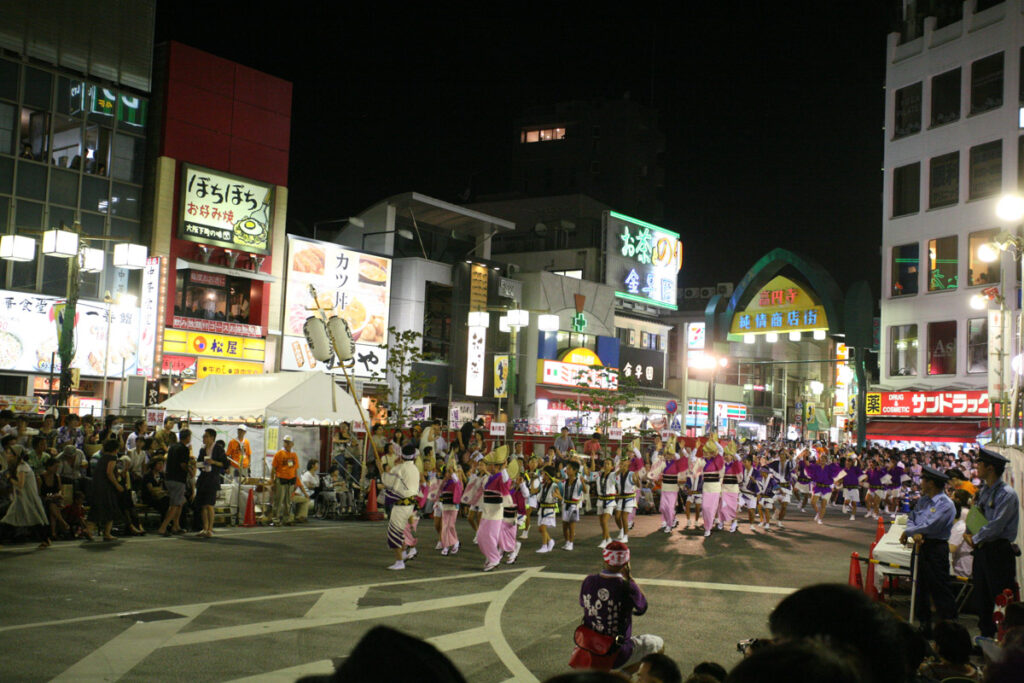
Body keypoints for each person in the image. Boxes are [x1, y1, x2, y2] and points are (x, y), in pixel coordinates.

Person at [575, 541, 663, 671]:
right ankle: (625, 676)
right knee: (658, 643)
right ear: (626, 563)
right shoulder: (627, 586)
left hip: (589, 646)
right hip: (617, 651)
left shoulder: (589, 580)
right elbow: (642, 607)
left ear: (605, 560)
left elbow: (583, 603)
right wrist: (629, 578)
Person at [963, 447, 1020, 638]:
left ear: (990, 468)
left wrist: (975, 538)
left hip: (998, 552)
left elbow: (996, 526)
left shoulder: (1007, 494)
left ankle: (1005, 643)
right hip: (981, 551)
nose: (976, 466)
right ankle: (986, 639)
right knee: (982, 598)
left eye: (980, 463)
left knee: (1000, 599)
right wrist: (968, 533)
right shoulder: (983, 491)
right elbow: (975, 515)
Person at [899, 465, 956, 633]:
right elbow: (912, 518)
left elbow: (930, 525)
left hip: (936, 548)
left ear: (931, 483)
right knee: (919, 585)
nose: (921, 482)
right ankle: (924, 624)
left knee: (939, 586)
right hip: (920, 546)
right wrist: (914, 532)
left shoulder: (946, 504)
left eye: (923, 479)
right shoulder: (924, 500)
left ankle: (949, 626)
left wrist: (912, 532)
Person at [377, 443, 420, 570]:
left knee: (394, 532)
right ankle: (405, 554)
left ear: (401, 455)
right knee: (401, 532)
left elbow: (387, 481)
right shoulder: (415, 469)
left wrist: (380, 469)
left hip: (401, 505)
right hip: (411, 505)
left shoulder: (400, 468)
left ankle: (399, 561)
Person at [476, 446, 519, 571]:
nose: (486, 466)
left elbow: (506, 482)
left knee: (489, 536)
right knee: (481, 536)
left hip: (495, 512)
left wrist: (503, 467)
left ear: (494, 466)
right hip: (487, 511)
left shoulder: (501, 476)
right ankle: (491, 557)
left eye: (487, 464)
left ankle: (494, 559)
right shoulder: (491, 476)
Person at [2, 443, 51, 548]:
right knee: (11, 519)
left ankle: (45, 539)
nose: (7, 455)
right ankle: (45, 539)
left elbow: (20, 484)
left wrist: (9, 478)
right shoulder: (19, 466)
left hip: (27, 498)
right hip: (22, 498)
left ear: (16, 455)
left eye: (10, 453)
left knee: (33, 519)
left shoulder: (22, 467)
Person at [87, 440, 125, 542]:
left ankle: (89, 530)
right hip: (106, 486)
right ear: (115, 449)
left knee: (96, 508)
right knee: (110, 508)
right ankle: (107, 533)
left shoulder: (102, 457)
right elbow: (109, 473)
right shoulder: (112, 457)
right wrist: (117, 485)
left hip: (97, 485)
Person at [195, 428, 227, 537]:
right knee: (203, 505)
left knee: (210, 505)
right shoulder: (202, 449)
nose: (204, 438)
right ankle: (205, 528)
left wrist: (213, 462)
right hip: (204, 477)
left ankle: (210, 529)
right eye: (203, 436)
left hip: (213, 478)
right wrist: (200, 465)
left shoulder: (218, 449)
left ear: (212, 438)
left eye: (206, 436)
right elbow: (199, 463)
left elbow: (225, 464)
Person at [271, 436, 300, 526]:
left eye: (289, 442)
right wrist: (273, 481)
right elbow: (273, 468)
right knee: (279, 500)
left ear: (292, 444)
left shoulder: (294, 455)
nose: (287, 444)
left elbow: (295, 469)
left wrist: (296, 482)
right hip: (281, 479)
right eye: (285, 442)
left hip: (291, 480)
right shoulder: (279, 453)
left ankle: (286, 519)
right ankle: (275, 519)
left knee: (288, 501)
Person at [38, 456, 69, 539]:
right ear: (48, 466)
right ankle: (62, 522)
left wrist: (58, 494)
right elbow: (38, 492)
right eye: (55, 467)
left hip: (55, 499)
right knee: (50, 504)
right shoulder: (40, 478)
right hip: (44, 499)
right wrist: (47, 497)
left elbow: (60, 489)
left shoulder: (57, 477)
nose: (56, 469)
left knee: (53, 506)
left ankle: (53, 533)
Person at [594, 457, 618, 548]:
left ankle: (604, 541)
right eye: (605, 463)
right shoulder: (599, 474)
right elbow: (591, 473)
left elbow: (618, 473)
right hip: (600, 500)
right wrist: (592, 460)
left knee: (604, 521)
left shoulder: (613, 475)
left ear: (612, 467)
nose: (606, 465)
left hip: (609, 501)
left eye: (608, 464)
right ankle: (608, 538)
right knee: (601, 523)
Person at [561, 460, 584, 551]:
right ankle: (567, 542)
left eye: (569, 469)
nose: (567, 470)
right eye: (567, 468)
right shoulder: (565, 481)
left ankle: (571, 543)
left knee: (571, 526)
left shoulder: (578, 481)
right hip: (565, 504)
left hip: (573, 506)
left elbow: (584, 491)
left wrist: (583, 483)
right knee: (564, 526)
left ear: (575, 471)